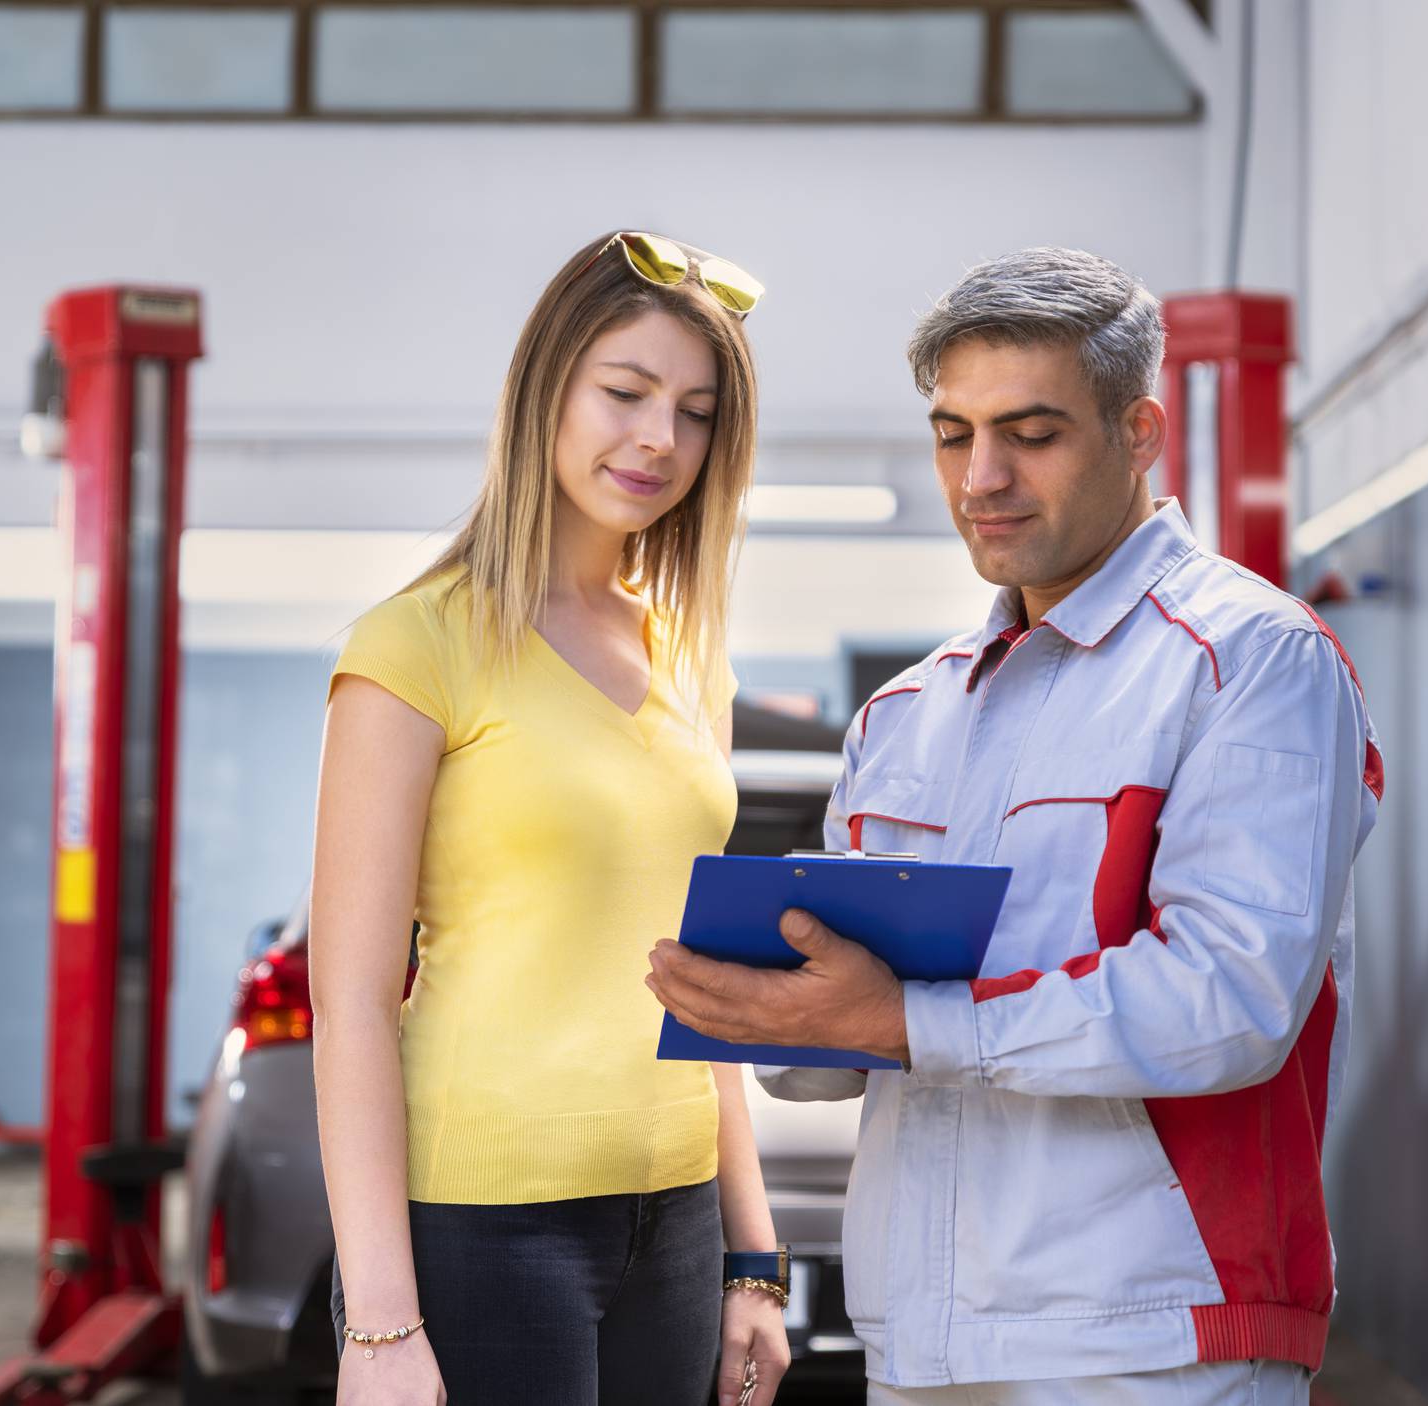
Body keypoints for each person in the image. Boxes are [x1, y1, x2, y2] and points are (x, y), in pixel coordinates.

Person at [646, 246, 1383, 1406]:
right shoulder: (909, 712)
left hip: (1150, 1337)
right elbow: (859, 1049)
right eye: (953, 433)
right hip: (926, 1334)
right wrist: (780, 1013)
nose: (981, 474)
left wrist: (905, 1017)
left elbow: (1231, 999)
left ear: (1138, 434)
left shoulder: (1253, 660)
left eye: (1031, 432)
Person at [311, 230, 791, 1406]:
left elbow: (700, 975)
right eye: (625, 392)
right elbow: (351, 1002)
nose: (658, 439)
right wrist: (378, 1323)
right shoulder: (413, 645)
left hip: (674, 1218)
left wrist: (755, 1257)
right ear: (544, 391)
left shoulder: (690, 659)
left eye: (695, 411)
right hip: (482, 1221)